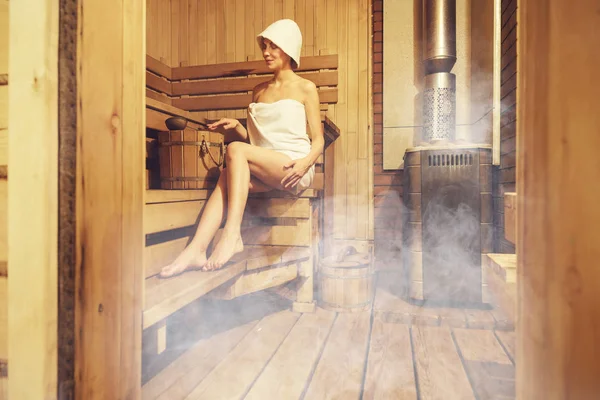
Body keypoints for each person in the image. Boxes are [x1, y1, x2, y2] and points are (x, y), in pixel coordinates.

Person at [159, 19, 324, 278]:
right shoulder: (258, 91)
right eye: (265, 47)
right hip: (266, 168)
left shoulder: (306, 88)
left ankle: (232, 234)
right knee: (227, 174)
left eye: (274, 47)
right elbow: (258, 143)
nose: (266, 53)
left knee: (235, 150)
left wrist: (305, 164)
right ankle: (196, 249)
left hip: (293, 166)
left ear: (289, 49)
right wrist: (237, 127)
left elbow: (318, 140)